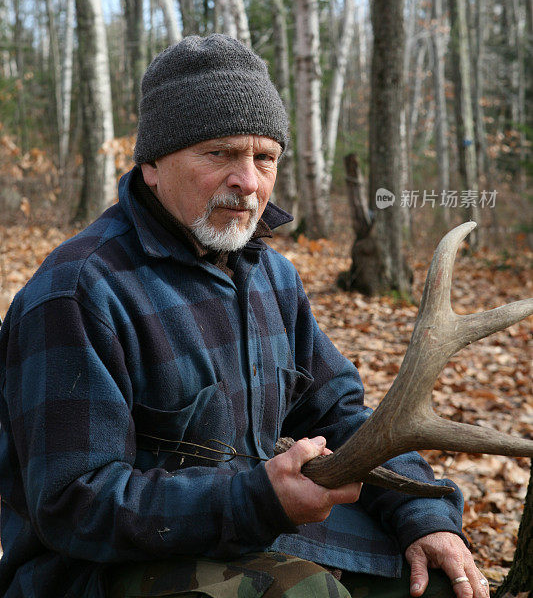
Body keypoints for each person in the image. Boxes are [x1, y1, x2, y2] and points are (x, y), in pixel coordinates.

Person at [0, 35, 489, 598]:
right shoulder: (79, 292)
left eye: (265, 158)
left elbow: (341, 412)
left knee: (437, 582)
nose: (249, 182)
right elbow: (72, 504)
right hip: (91, 573)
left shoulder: (270, 276)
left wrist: (421, 513)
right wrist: (258, 499)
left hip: (251, 534)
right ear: (153, 164)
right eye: (220, 154)